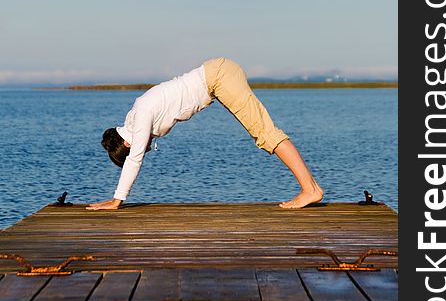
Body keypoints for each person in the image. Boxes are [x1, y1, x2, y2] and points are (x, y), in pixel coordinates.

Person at [86, 57, 324, 211]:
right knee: (263, 133)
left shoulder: (140, 117)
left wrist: (117, 199)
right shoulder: (136, 116)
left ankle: (310, 190)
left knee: (265, 133)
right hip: (217, 76)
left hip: (218, 77)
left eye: (137, 148)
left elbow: (134, 159)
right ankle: (312, 188)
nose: (145, 150)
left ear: (126, 143)